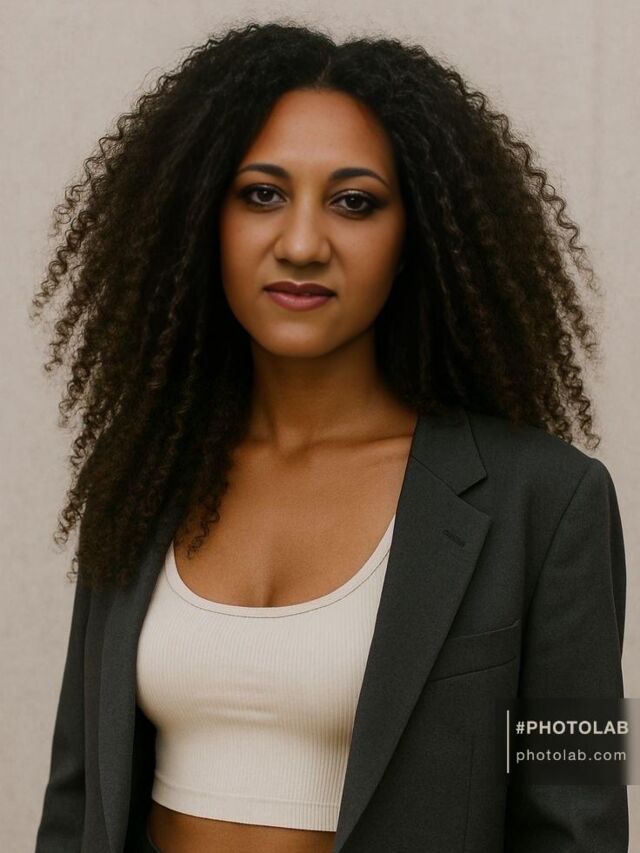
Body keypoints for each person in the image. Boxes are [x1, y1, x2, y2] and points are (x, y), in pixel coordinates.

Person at [32, 20, 628, 853]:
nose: (303, 244)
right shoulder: (141, 475)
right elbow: (77, 801)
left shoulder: (551, 502)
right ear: (202, 218)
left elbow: (582, 819)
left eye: (354, 202)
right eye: (261, 194)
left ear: (414, 236)